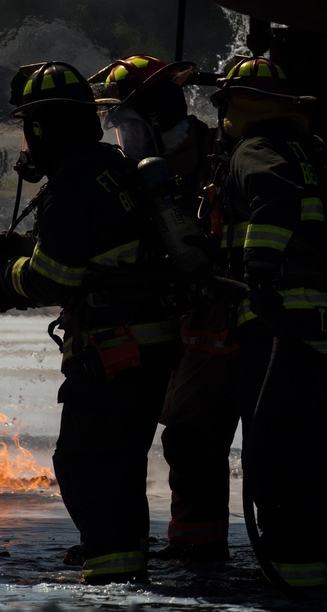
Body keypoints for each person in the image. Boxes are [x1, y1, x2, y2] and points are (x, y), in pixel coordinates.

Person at [0, 61, 186, 584]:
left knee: (83, 462)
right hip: (148, 344)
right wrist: (24, 248)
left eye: (28, 126)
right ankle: (123, 548)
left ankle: (112, 569)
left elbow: (55, 277)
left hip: (115, 349)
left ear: (44, 128)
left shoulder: (72, 185)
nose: (26, 140)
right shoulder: (111, 167)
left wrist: (7, 280)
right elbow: (101, 251)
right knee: (118, 462)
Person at [207, 55, 327, 588]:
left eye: (225, 103)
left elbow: (277, 204)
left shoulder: (256, 150)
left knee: (279, 462)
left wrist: (260, 275)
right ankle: (326, 576)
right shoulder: (311, 151)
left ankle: (293, 587)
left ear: (240, 105)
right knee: (316, 462)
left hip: (280, 331)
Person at [92, 54, 239, 564]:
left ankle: (198, 551)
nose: (118, 136)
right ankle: (196, 543)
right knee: (186, 435)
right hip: (180, 319)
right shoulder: (150, 170)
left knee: (193, 437)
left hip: (219, 320)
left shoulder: (215, 158)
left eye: (125, 123)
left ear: (154, 118)